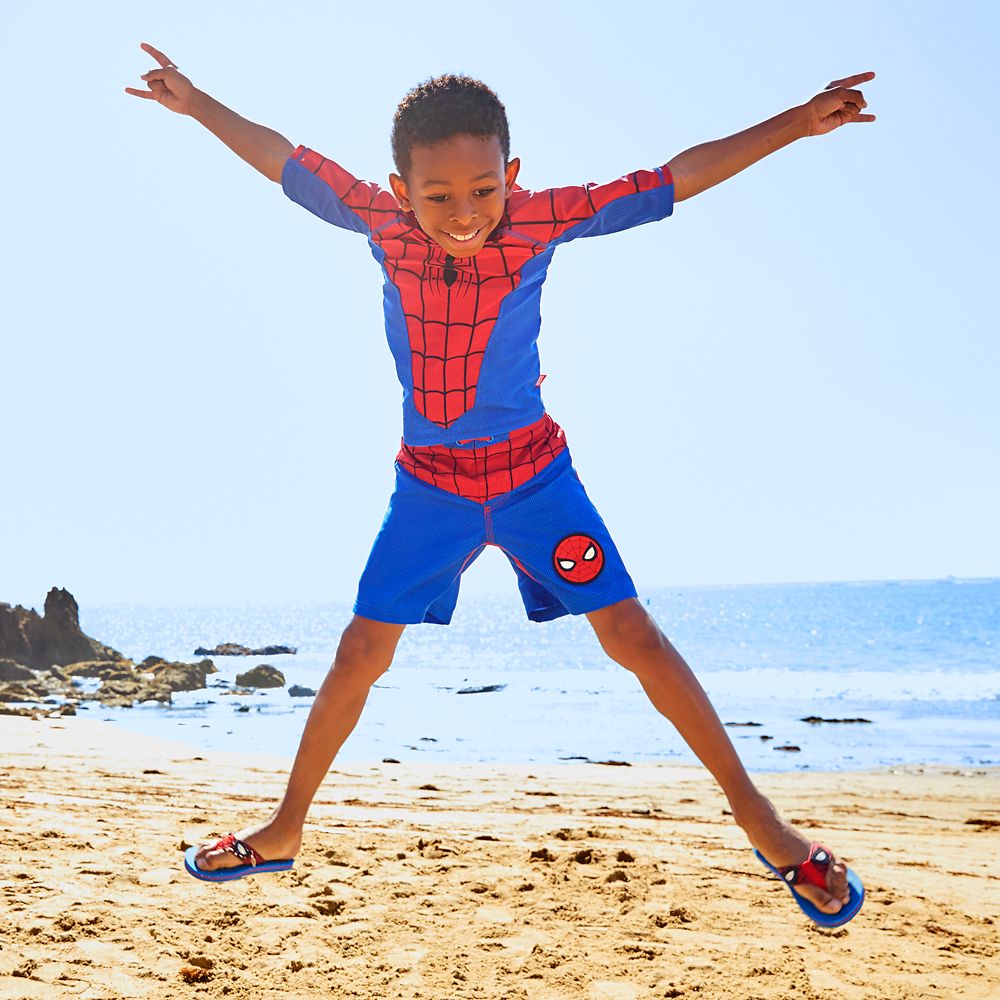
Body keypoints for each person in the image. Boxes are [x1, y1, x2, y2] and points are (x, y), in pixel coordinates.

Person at [127, 43, 874, 925]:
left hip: (533, 479)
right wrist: (198, 102)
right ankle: (286, 827)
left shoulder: (541, 220)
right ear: (398, 187)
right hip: (431, 488)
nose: (464, 212)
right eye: (438, 195)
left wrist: (797, 121)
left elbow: (672, 180)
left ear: (511, 176)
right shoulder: (378, 221)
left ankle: (763, 821)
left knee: (634, 635)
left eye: (483, 190)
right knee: (360, 653)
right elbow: (278, 156)